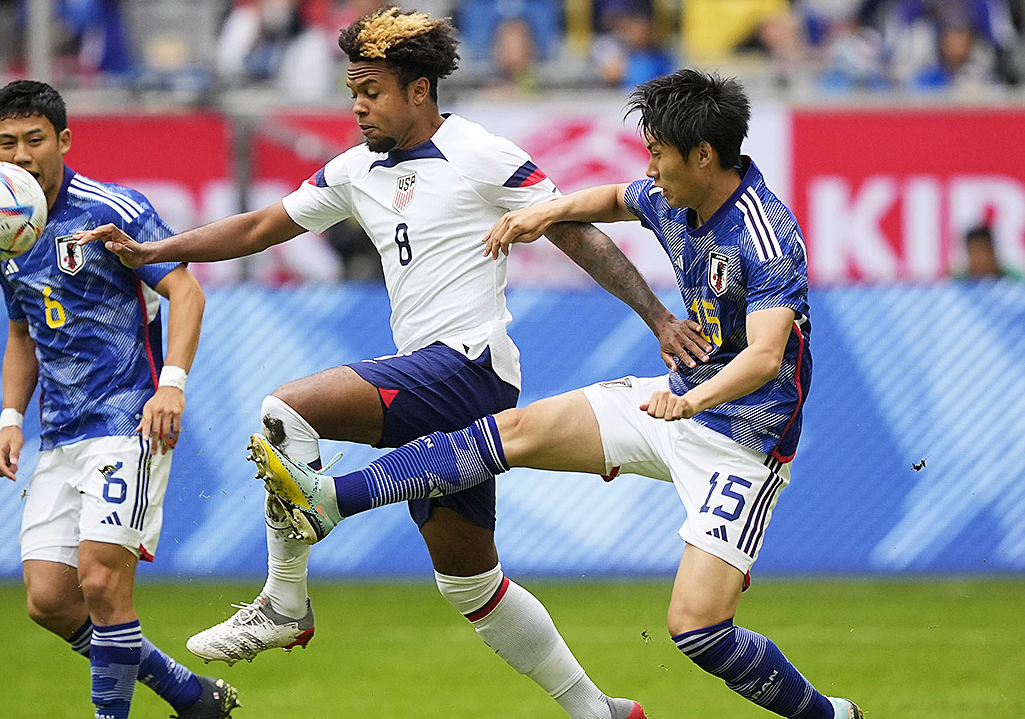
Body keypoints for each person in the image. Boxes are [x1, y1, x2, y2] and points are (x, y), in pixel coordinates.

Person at [80, 8, 707, 718]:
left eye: (371, 90)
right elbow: (259, 227)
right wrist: (154, 252)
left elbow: (575, 232)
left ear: (419, 91)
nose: (357, 105)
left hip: (471, 368)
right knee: (470, 586)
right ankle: (597, 710)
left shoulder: (479, 152)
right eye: (352, 90)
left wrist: (658, 318)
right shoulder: (356, 170)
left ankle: (285, 602)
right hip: (436, 377)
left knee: (287, 409)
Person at [249, 69, 866, 719]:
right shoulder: (676, 195)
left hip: (742, 445)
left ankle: (829, 715)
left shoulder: (764, 236)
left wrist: (692, 402)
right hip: (670, 402)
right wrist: (546, 209)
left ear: (703, 155)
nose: (649, 168)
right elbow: (612, 199)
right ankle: (328, 502)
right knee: (513, 433)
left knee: (697, 628)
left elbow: (768, 358)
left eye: (657, 152)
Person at [0, 80, 237, 719]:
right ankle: (186, 693)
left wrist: (171, 385)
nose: (20, 156)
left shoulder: (111, 210)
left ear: (63, 141)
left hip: (128, 419)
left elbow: (187, 292)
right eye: (6, 143)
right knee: (50, 600)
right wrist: (11, 417)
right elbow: (21, 330)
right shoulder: (0, 229)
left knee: (100, 582)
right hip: (59, 434)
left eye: (34, 140)